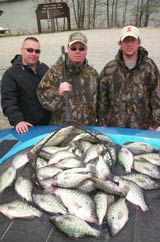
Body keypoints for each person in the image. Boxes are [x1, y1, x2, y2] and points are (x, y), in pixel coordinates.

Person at [98, 25, 160, 130]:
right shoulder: (110, 69)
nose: (129, 44)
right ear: (120, 44)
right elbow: (102, 100)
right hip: (115, 129)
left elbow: (156, 97)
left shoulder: (149, 67)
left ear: (139, 42)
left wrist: (153, 124)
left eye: (132, 40)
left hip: (142, 129)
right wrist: (103, 122)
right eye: (126, 40)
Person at [37, 32, 99, 125]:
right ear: (68, 49)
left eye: (81, 48)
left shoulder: (93, 74)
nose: (77, 51)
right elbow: (41, 94)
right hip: (62, 129)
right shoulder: (55, 71)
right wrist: (58, 93)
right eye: (73, 48)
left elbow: (101, 102)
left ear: (86, 51)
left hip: (87, 129)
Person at [1, 37, 51, 133]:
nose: (33, 54)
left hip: (49, 125)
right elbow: (8, 101)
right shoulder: (11, 74)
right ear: (22, 51)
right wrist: (18, 121)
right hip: (28, 127)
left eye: (37, 51)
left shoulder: (44, 69)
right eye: (30, 50)